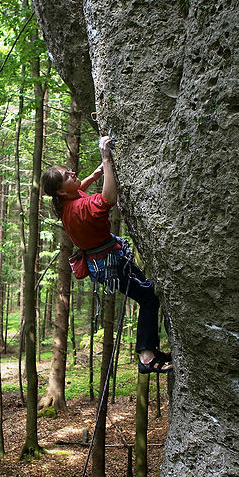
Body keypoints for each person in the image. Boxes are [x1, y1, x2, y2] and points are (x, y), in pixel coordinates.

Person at [42, 135, 172, 374]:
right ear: (60, 191)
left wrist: (96, 174)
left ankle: (150, 351)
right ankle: (146, 358)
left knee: (148, 293)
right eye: (66, 176)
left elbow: (78, 189)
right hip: (109, 263)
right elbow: (108, 198)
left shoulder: (66, 201)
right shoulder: (80, 209)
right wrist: (106, 159)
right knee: (149, 298)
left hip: (106, 260)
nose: (72, 173)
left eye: (69, 170)